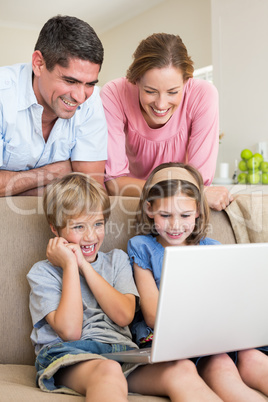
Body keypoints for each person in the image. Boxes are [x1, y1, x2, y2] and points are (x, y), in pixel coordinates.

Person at [27, 172, 223, 402]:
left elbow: (124, 316)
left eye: (98, 224)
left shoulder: (116, 260)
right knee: (108, 371)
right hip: (69, 355)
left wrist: (83, 265)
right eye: (79, 227)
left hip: (122, 352)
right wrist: (70, 266)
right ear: (55, 228)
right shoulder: (43, 272)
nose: (91, 236)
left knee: (182, 369)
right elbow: (70, 332)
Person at [128, 162, 268, 401]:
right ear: (150, 209)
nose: (175, 225)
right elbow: (153, 315)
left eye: (185, 215)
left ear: (198, 212)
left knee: (254, 358)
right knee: (221, 366)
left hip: (216, 335)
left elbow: (232, 301)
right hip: (173, 340)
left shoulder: (212, 248)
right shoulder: (142, 247)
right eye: (165, 215)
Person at [100, 32, 232, 211]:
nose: (161, 104)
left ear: (186, 82)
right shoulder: (115, 93)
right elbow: (114, 183)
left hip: (178, 208)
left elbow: (199, 181)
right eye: (150, 91)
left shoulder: (203, 95)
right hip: (131, 201)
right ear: (136, 80)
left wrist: (192, 191)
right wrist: (186, 192)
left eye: (172, 92)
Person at [0, 15, 108, 197]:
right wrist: (52, 173)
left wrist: (13, 187)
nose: (80, 97)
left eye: (89, 84)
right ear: (39, 64)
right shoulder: (3, 94)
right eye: (70, 81)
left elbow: (91, 192)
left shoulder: (92, 100)